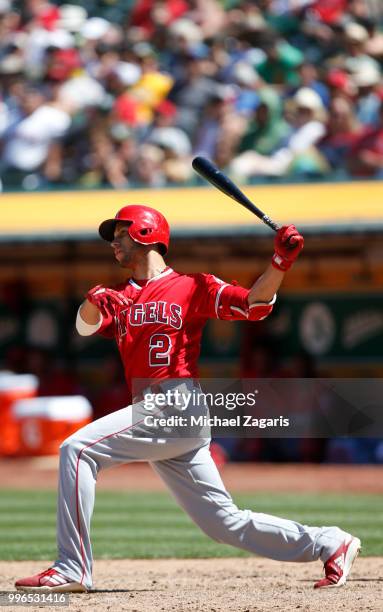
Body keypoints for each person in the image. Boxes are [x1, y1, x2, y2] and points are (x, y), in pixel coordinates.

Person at [15, 204, 360, 593]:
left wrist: (280, 262)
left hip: (174, 403)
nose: (114, 240)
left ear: (146, 233)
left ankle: (72, 568)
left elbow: (255, 305)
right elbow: (83, 326)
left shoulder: (192, 285)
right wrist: (93, 301)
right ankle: (331, 542)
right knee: (222, 522)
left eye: (121, 231)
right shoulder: (120, 295)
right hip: (157, 412)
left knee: (77, 450)